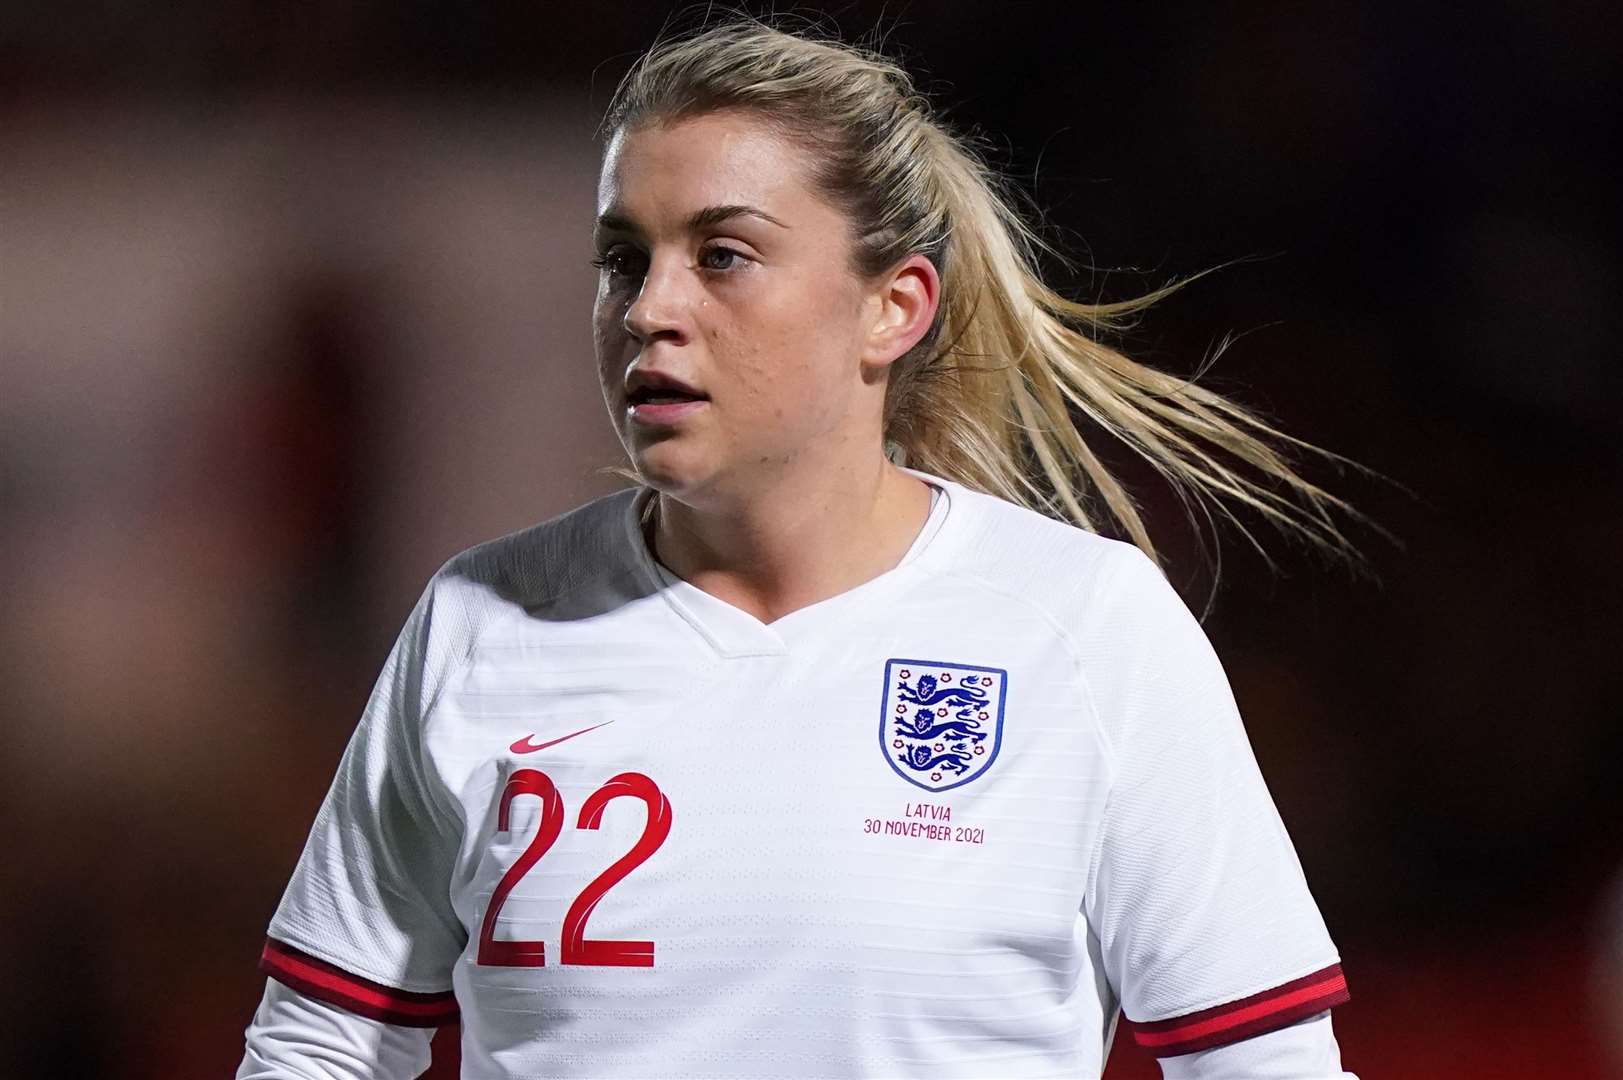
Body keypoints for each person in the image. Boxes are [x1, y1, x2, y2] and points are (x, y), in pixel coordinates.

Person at [239, 15, 1385, 1079]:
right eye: (625, 258)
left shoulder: (1082, 629)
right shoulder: (485, 624)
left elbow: (1263, 1063)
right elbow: (321, 1042)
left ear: (894, 306)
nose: (648, 308)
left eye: (723, 255)